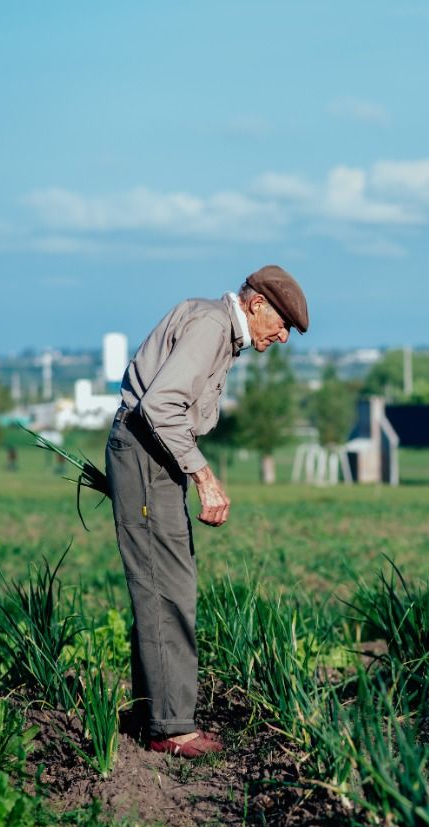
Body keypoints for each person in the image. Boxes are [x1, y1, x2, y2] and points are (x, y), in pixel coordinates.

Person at [107, 265, 309, 757]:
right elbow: (159, 407)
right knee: (168, 588)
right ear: (256, 304)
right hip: (147, 455)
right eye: (282, 324)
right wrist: (204, 477)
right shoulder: (213, 327)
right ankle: (170, 730)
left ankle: (154, 713)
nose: (282, 337)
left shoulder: (216, 327)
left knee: (166, 585)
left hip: (153, 456)